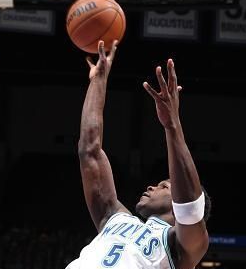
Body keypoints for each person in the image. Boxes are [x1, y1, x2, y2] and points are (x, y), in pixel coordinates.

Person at [69, 40, 211, 269]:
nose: (152, 187)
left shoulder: (183, 248)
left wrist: (172, 126)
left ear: (177, 205)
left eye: (165, 186)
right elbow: (89, 151)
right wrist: (99, 80)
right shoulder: (113, 217)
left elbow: (191, 208)